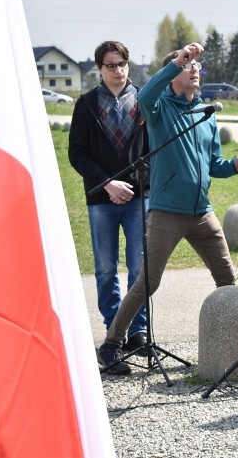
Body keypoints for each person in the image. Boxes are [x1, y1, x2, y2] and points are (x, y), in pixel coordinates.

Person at [96, 42, 238, 373]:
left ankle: (237, 343)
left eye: (197, 66)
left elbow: (213, 164)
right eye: (188, 65)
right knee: (148, 283)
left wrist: (234, 165)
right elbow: (144, 95)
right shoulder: (159, 108)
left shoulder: (206, 114)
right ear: (173, 75)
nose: (195, 70)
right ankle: (111, 345)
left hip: (202, 214)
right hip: (167, 213)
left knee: (227, 277)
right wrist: (174, 60)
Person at [69, 41, 150, 373]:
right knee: (105, 268)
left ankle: (138, 330)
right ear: (99, 69)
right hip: (102, 198)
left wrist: (137, 184)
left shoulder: (144, 101)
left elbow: (153, 146)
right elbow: (77, 153)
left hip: (138, 197)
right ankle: (113, 330)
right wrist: (108, 184)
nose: (119, 70)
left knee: (139, 265)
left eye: (123, 64)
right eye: (111, 65)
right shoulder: (87, 105)